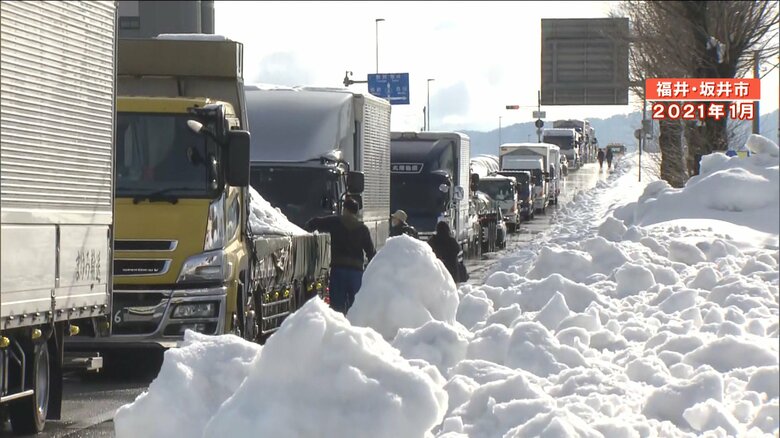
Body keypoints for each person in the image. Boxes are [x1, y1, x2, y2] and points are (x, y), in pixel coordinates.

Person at [304, 197, 375, 314]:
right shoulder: (363, 229)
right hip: (356, 273)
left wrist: (306, 229)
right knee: (356, 307)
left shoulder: (335, 222)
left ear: (345, 209)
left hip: (339, 271)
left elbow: (315, 222)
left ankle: (340, 324)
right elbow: (371, 252)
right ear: (356, 212)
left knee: (337, 308)